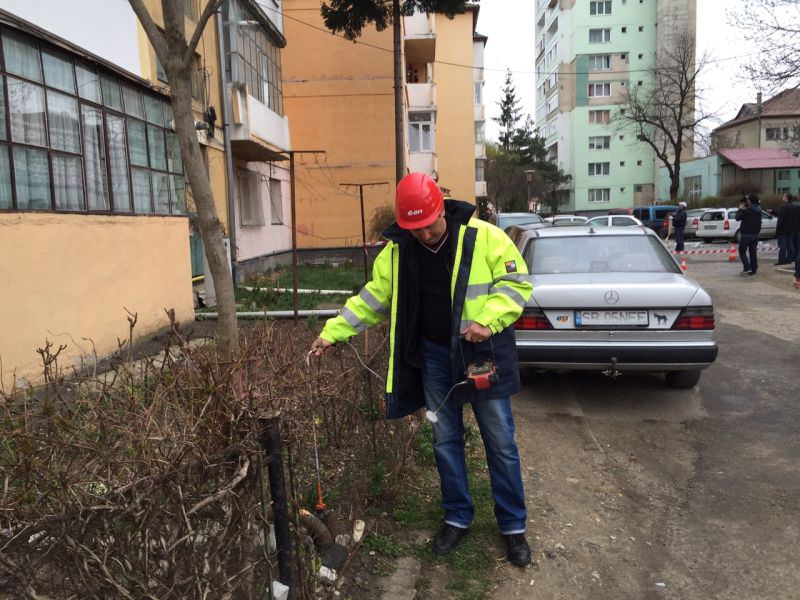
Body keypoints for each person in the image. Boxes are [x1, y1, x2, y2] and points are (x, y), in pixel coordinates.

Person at [310, 173, 534, 566]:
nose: (426, 234)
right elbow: (370, 301)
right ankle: (457, 517)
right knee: (445, 441)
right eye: (415, 229)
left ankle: (513, 527)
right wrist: (333, 332)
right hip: (434, 357)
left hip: (481, 353)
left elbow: (516, 284)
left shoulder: (484, 237)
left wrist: (489, 319)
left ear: (441, 209)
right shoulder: (397, 252)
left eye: (430, 225)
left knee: (499, 441)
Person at [735, 193, 762, 276]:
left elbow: (737, 218)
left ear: (749, 201)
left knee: (742, 251)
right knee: (753, 252)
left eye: (748, 200)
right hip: (755, 234)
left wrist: (740, 209)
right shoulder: (759, 209)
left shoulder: (747, 210)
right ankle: (754, 269)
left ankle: (747, 268)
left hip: (746, 234)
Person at [775, 193, 797, 266]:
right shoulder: (794, 206)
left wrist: (778, 230)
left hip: (783, 230)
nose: (782, 197)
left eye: (784, 196)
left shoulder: (784, 207)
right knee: (790, 245)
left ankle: (782, 260)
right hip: (791, 230)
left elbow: (781, 219)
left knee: (783, 246)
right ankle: (790, 259)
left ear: (786, 198)